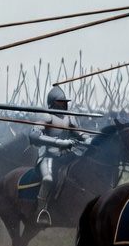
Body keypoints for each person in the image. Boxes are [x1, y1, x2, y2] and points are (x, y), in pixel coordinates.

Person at [27, 86, 86, 226]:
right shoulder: (46, 116)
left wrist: (89, 140)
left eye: (64, 102)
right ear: (52, 102)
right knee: (48, 179)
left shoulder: (70, 116)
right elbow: (34, 135)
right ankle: (41, 210)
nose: (63, 104)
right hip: (48, 155)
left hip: (68, 154)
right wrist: (58, 142)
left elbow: (80, 133)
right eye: (59, 102)